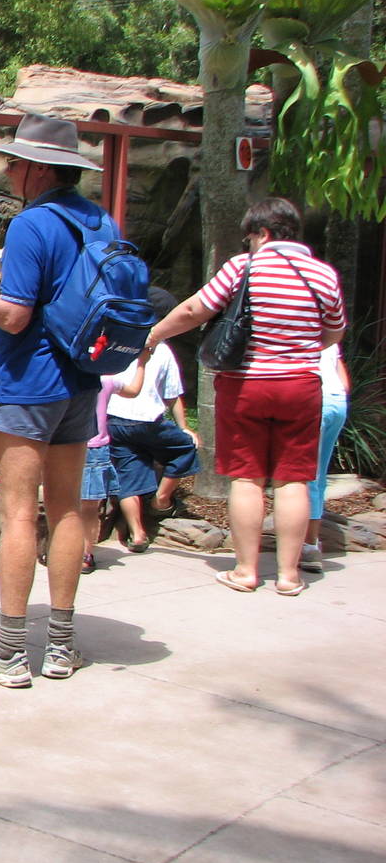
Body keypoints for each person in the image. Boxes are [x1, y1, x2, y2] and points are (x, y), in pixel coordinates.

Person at [0, 112, 108, 686]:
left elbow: (14, 317)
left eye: (17, 162)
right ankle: (64, 646)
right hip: (80, 382)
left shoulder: (32, 225)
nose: (11, 170)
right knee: (68, 507)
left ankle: (12, 651)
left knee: (19, 512)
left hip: (29, 385)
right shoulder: (100, 221)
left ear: (40, 170)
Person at [146, 197, 346, 596]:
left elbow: (194, 310)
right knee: (292, 481)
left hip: (246, 386)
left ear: (264, 234)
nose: (248, 244)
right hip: (301, 387)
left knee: (248, 478)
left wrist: (154, 335)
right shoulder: (323, 275)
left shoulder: (245, 268)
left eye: (249, 237)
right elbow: (334, 332)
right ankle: (289, 576)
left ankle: (246, 571)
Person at [105, 290, 200, 552]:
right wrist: (184, 428)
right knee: (185, 449)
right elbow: (173, 395)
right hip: (147, 422)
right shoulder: (161, 349)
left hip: (114, 422)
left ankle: (137, 535)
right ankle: (161, 500)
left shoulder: (115, 343)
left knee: (128, 474)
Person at [81, 359, 148, 573]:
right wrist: (142, 363)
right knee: (90, 509)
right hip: (95, 450)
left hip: (68, 446)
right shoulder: (107, 379)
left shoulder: (68, 377)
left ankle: (65, 551)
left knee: (65, 505)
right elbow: (134, 391)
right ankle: (85, 554)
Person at [302, 342, 350, 573]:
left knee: (306, 475)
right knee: (318, 475)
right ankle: (310, 541)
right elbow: (342, 375)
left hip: (314, 398)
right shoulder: (327, 330)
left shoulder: (300, 327)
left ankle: (310, 547)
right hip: (337, 400)